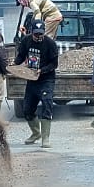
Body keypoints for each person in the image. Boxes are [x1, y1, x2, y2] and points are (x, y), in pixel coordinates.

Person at [14, 17, 60, 147]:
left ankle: (45, 138)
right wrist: (14, 66)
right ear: (31, 32)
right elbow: (21, 56)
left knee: (46, 105)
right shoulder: (26, 41)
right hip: (32, 79)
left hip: (46, 79)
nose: (38, 36)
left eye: (41, 33)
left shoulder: (50, 44)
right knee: (27, 109)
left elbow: (54, 64)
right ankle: (36, 133)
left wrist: (42, 70)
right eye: (36, 34)